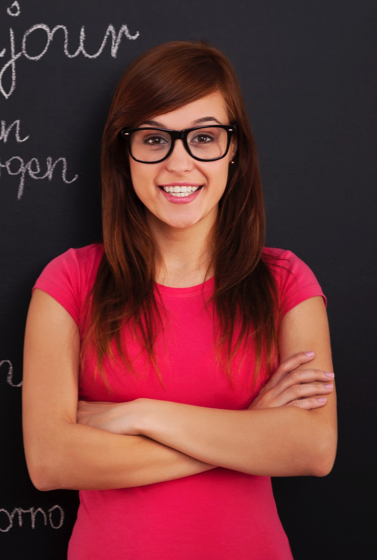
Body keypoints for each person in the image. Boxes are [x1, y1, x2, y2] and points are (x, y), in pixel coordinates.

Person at [21, 41, 336, 559]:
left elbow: (313, 448)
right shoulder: (68, 281)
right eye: (154, 139)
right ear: (125, 153)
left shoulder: (285, 281)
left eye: (205, 138)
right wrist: (251, 430)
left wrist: (141, 413)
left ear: (235, 149)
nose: (179, 162)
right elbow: (51, 460)